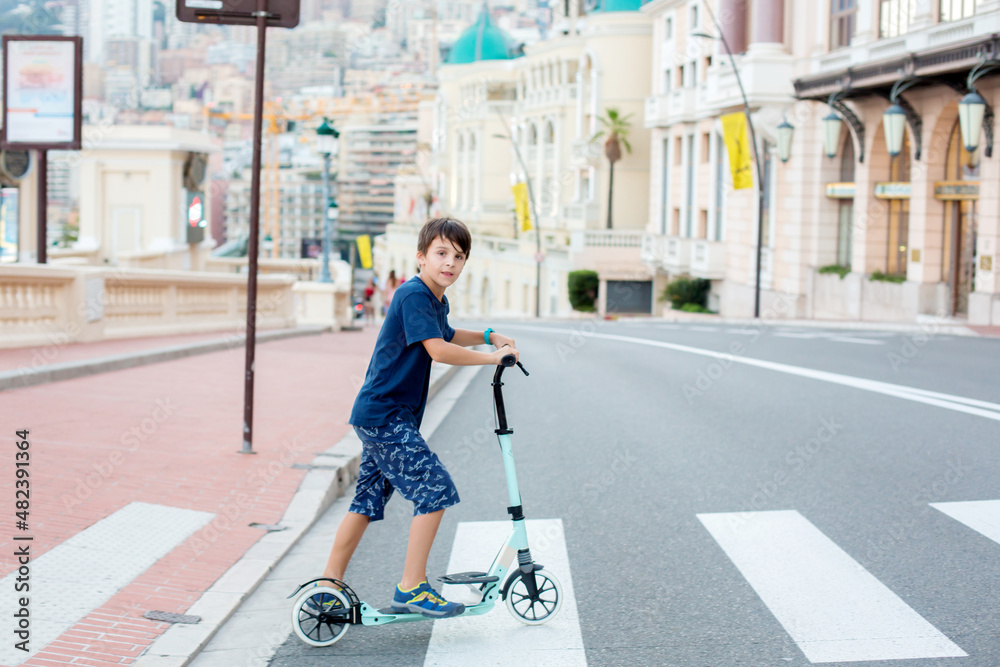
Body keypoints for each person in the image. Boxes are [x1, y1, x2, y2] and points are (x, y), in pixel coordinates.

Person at [321, 217, 518, 618]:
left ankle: (327, 586)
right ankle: (411, 587)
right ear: (421, 257)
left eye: (459, 257)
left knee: (366, 502)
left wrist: (489, 333)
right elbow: (439, 351)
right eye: (442, 253)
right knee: (435, 489)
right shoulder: (413, 295)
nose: (450, 263)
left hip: (384, 415)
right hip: (386, 415)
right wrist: (491, 358)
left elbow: (445, 334)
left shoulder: (433, 299)